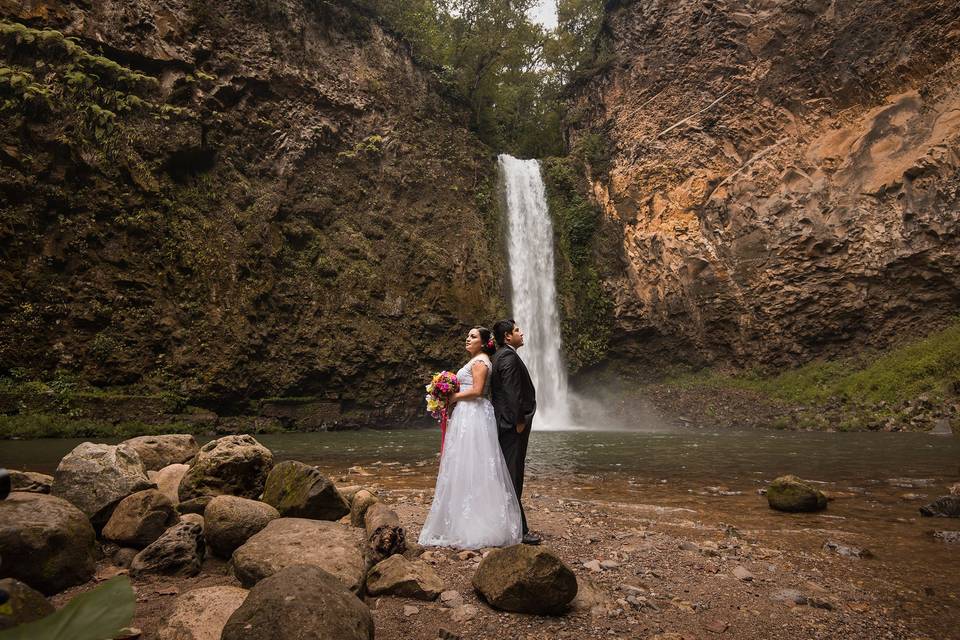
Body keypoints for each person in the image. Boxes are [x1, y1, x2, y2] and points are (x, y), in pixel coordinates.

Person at [418, 327, 523, 549]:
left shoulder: (481, 361)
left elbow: (476, 390)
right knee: (465, 464)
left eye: (473, 336)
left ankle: (474, 525)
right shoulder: (478, 359)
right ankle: (461, 520)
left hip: (473, 414)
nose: (468, 338)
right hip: (469, 414)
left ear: (484, 343)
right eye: (467, 336)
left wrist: (451, 397)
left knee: (473, 464)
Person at [490, 319, 540, 545]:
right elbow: (512, 392)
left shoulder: (501, 356)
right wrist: (519, 420)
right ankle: (520, 530)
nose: (522, 332)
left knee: (509, 475)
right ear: (508, 336)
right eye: (518, 330)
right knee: (513, 475)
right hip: (512, 426)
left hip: (505, 424)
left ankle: (509, 525)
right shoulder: (508, 357)